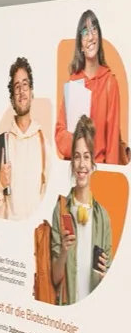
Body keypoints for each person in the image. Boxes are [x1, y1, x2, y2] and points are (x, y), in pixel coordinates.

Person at [51, 115, 113, 304]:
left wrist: (105, 276)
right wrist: (63, 251)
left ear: (93, 162)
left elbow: (109, 286)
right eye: (77, 157)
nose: (81, 164)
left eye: (86, 156)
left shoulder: (103, 218)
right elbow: (54, 279)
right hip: (68, 311)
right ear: (71, 163)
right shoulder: (61, 210)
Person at [56, 9, 128, 165]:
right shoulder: (74, 82)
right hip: (77, 171)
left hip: (100, 171)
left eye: (94, 29)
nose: (91, 36)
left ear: (99, 38)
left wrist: (108, 177)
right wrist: (77, 142)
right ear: (80, 45)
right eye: (85, 32)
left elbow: (112, 141)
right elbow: (60, 135)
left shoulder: (109, 82)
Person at [0, 57, 48, 219]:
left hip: (35, 235)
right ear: (12, 99)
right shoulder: (2, 143)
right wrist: (0, 183)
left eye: (25, 84)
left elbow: (48, 195)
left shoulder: (43, 141)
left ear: (31, 92)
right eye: (17, 87)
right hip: (10, 235)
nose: (22, 91)